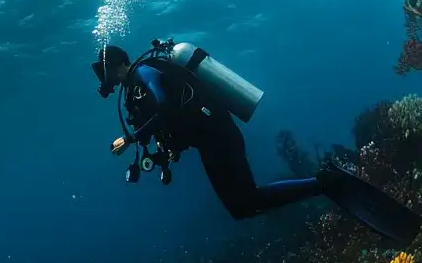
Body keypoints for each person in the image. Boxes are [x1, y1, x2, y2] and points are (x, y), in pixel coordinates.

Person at [93, 40, 421, 245]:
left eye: (104, 71)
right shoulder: (135, 90)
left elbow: (165, 108)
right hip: (210, 141)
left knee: (246, 201)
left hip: (218, 135)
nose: (104, 79)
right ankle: (324, 183)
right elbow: (171, 120)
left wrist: (132, 138)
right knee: (242, 207)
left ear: (117, 65)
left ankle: (326, 182)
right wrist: (165, 151)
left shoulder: (145, 72)